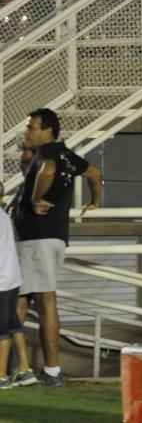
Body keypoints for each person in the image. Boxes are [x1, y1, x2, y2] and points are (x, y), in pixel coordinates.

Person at [13, 108, 103, 388]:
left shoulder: (48, 156)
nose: (28, 132)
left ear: (47, 130)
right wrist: (96, 200)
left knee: (42, 299)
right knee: (22, 299)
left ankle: (49, 370)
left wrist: (35, 196)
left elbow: (48, 169)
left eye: (32, 128)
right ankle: (19, 368)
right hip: (51, 236)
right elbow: (94, 172)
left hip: (36, 236)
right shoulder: (65, 154)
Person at [0, 144, 36, 390]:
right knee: (13, 324)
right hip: (12, 278)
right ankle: (25, 369)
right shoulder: (3, 215)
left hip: (2, 280)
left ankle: (1, 377)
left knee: (2, 330)